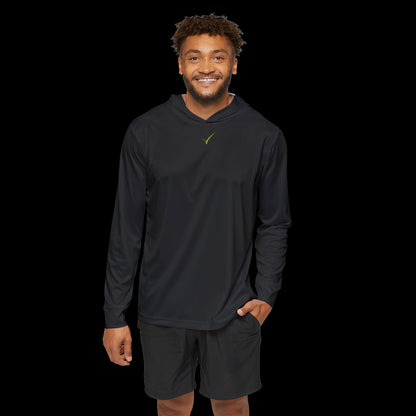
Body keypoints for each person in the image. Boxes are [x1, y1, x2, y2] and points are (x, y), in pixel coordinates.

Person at [103, 13, 291, 416]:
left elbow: (274, 222)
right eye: (195, 57)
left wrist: (266, 294)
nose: (206, 67)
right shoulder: (145, 131)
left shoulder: (264, 135)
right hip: (162, 309)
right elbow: (126, 229)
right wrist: (114, 315)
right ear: (180, 65)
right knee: (172, 406)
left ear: (234, 64)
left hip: (234, 309)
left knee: (232, 406)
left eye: (218, 57)